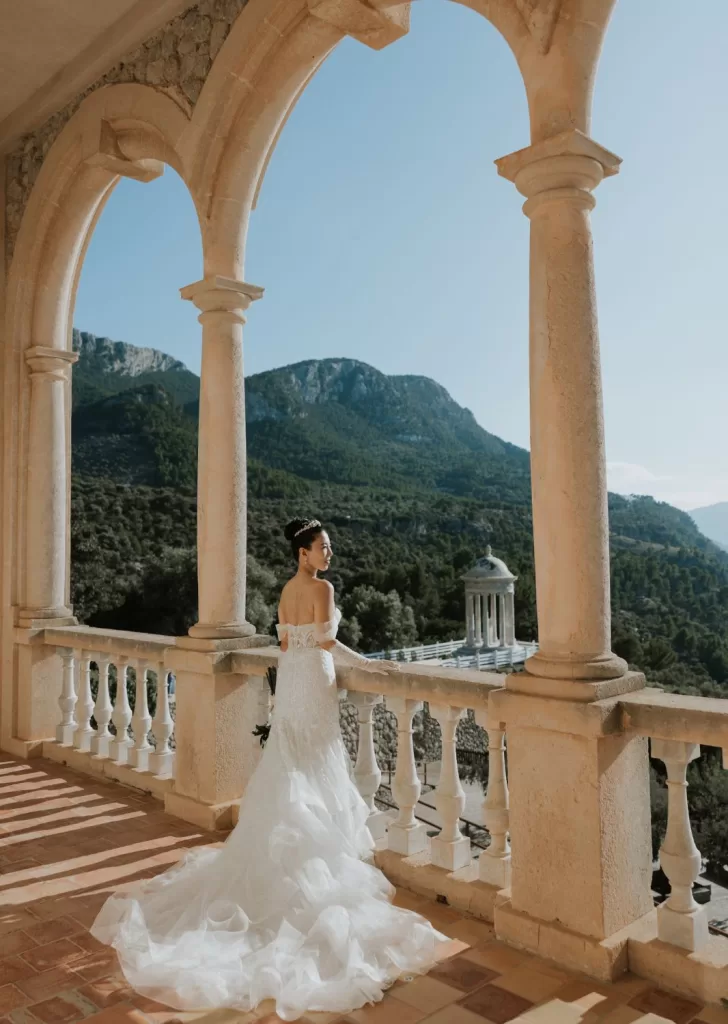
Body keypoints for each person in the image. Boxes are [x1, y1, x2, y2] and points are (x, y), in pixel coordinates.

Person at [91, 517, 447, 1021]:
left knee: (292, 766)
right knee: (319, 766)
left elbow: (286, 647)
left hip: (293, 684)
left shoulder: (284, 591)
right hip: (315, 683)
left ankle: (289, 866)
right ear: (304, 552)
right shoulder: (321, 589)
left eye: (329, 547)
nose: (330, 554)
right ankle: (314, 871)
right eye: (323, 547)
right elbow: (328, 645)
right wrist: (370, 665)